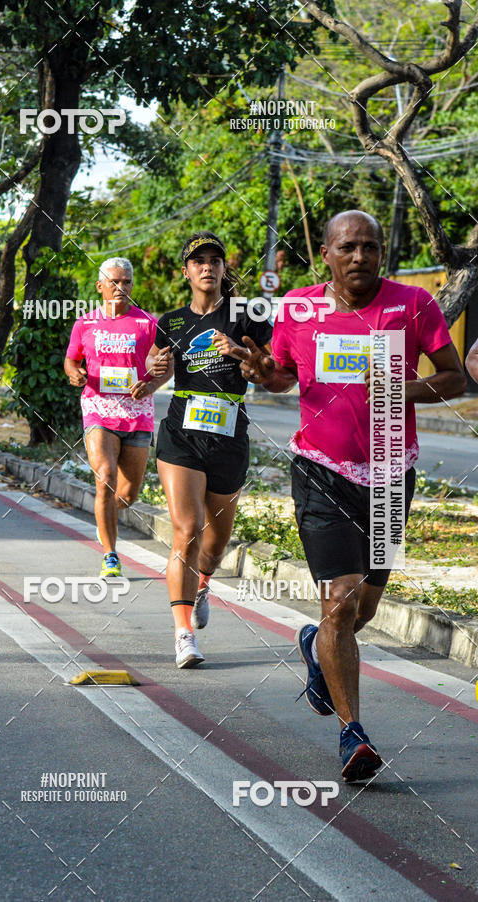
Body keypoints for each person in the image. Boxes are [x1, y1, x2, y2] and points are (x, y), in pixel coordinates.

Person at [237, 210, 466, 781]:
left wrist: (400, 386)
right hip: (320, 468)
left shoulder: (413, 303)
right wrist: (267, 374)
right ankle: (352, 734)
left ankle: (317, 648)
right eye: (348, 247)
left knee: (363, 607)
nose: (360, 256)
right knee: (339, 597)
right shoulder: (297, 307)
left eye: (370, 246)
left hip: (392, 470)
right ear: (326, 254)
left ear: (381, 252)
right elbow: (284, 374)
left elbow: (455, 377)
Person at [146, 231, 273, 668]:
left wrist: (241, 353)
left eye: (214, 260)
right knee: (187, 528)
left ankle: (203, 583)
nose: (207, 267)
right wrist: (150, 370)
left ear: (223, 269)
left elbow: (268, 371)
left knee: (215, 545)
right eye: (198, 260)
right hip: (181, 433)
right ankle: (183, 634)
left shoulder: (248, 314)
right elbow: (156, 368)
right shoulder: (172, 321)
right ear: (186, 271)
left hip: (229, 436)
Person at [65, 258, 168, 579]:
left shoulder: (149, 324)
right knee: (105, 477)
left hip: (138, 415)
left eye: (126, 282)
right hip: (99, 410)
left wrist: (151, 383)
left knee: (126, 495)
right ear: (100, 286)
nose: (121, 288)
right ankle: (110, 554)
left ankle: (104, 514)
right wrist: (76, 374)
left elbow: (168, 365)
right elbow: (70, 361)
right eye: (114, 282)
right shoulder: (85, 324)